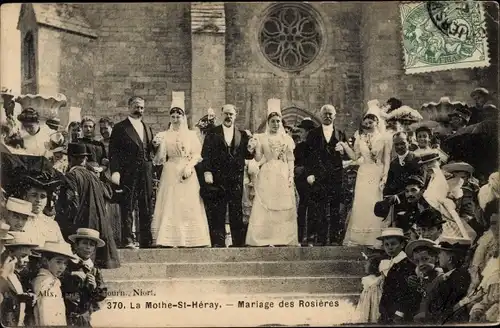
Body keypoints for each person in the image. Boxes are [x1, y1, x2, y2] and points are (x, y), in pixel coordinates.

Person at [150, 102, 211, 248]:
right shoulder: (164, 135)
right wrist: (157, 145)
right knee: (171, 201)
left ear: (183, 118)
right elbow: (159, 158)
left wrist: (189, 167)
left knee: (188, 203)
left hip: (187, 171)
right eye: (173, 116)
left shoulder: (191, 135)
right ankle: (169, 239)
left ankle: (192, 239)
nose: (176, 119)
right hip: (171, 170)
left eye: (178, 116)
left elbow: (197, 154)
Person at [55, 143, 120, 269]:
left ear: (70, 159)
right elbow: (108, 193)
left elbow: (71, 201)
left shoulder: (71, 176)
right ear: (84, 160)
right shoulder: (94, 176)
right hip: (99, 221)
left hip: (81, 222)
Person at [201, 104, 256, 247]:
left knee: (235, 211)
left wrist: (251, 145)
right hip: (218, 178)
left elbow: (248, 156)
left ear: (235, 115)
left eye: (231, 114)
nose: (228, 116)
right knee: (217, 211)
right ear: (222, 114)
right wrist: (207, 172)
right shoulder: (213, 133)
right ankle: (218, 243)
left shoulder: (242, 134)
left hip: (235, 179)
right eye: (226, 113)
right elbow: (205, 154)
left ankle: (238, 243)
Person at [245, 102, 298, 247]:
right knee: (267, 204)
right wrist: (254, 148)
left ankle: (283, 238)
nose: (275, 124)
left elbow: (290, 159)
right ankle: (265, 238)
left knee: (282, 205)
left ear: (281, 123)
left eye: (278, 121)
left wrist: (291, 175)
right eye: (273, 121)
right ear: (268, 123)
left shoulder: (286, 139)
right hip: (268, 172)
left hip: (282, 171)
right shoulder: (261, 137)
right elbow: (258, 158)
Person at [341, 100, 391, 247]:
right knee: (362, 204)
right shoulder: (360, 138)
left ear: (377, 122)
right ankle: (359, 238)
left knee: (374, 202)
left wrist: (384, 176)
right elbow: (355, 157)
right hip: (364, 172)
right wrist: (345, 146)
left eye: (371, 121)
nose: (368, 124)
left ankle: (374, 238)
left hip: (377, 172)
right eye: (366, 121)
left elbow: (387, 160)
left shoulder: (384, 138)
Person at [108, 96, 154, 249]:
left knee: (146, 205)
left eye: (141, 107)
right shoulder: (120, 128)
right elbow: (113, 152)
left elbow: (150, 151)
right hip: (128, 172)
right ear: (129, 107)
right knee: (128, 205)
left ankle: (146, 240)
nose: (138, 110)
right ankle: (127, 239)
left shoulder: (147, 128)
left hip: (145, 172)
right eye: (135, 106)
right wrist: (115, 172)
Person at [303, 104, 347, 246]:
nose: (327, 116)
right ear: (321, 116)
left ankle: (334, 238)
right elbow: (307, 156)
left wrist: (342, 152)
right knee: (319, 208)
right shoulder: (313, 134)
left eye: (330, 114)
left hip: (335, 176)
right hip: (319, 176)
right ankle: (321, 239)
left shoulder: (340, 134)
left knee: (335, 208)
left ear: (334, 116)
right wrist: (309, 173)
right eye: (325, 114)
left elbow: (347, 155)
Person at [414, 236, 472, 324]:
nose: (438, 255)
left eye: (441, 253)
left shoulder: (458, 276)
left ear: (450, 259)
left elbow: (448, 305)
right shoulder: (450, 275)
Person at [63, 228, 108, 326]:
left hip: (85, 314)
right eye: (84, 243)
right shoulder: (67, 263)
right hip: (65, 312)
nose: (88, 247)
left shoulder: (94, 269)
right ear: (76, 245)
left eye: (91, 245)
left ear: (94, 249)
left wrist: (95, 287)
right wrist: (71, 275)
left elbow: (102, 294)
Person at [377, 228, 420, 323]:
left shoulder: (408, 265)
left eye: (393, 244)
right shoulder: (387, 262)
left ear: (402, 244)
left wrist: (399, 313)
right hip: (387, 310)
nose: (390, 248)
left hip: (399, 314)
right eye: (386, 245)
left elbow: (408, 292)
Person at [33, 241, 78, 326]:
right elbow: (45, 314)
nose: (62, 267)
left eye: (65, 263)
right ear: (45, 261)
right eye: (58, 262)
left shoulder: (53, 280)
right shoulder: (45, 282)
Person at [0, 231, 38, 327]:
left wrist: (23, 297)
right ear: (10, 254)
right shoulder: (3, 274)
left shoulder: (17, 276)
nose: (27, 260)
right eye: (23, 256)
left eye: (28, 256)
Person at [294, 117, 316, 245]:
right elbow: (295, 162)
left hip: (313, 180)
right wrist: (297, 169)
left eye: (304, 131)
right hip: (301, 182)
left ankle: (312, 237)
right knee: (302, 208)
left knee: (313, 209)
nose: (302, 134)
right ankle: (300, 236)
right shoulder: (300, 146)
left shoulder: (316, 146)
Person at [353, 252, 387, 323]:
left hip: (377, 301)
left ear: (373, 266)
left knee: (375, 314)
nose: (364, 266)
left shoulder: (381, 278)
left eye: (366, 264)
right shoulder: (365, 279)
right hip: (367, 301)